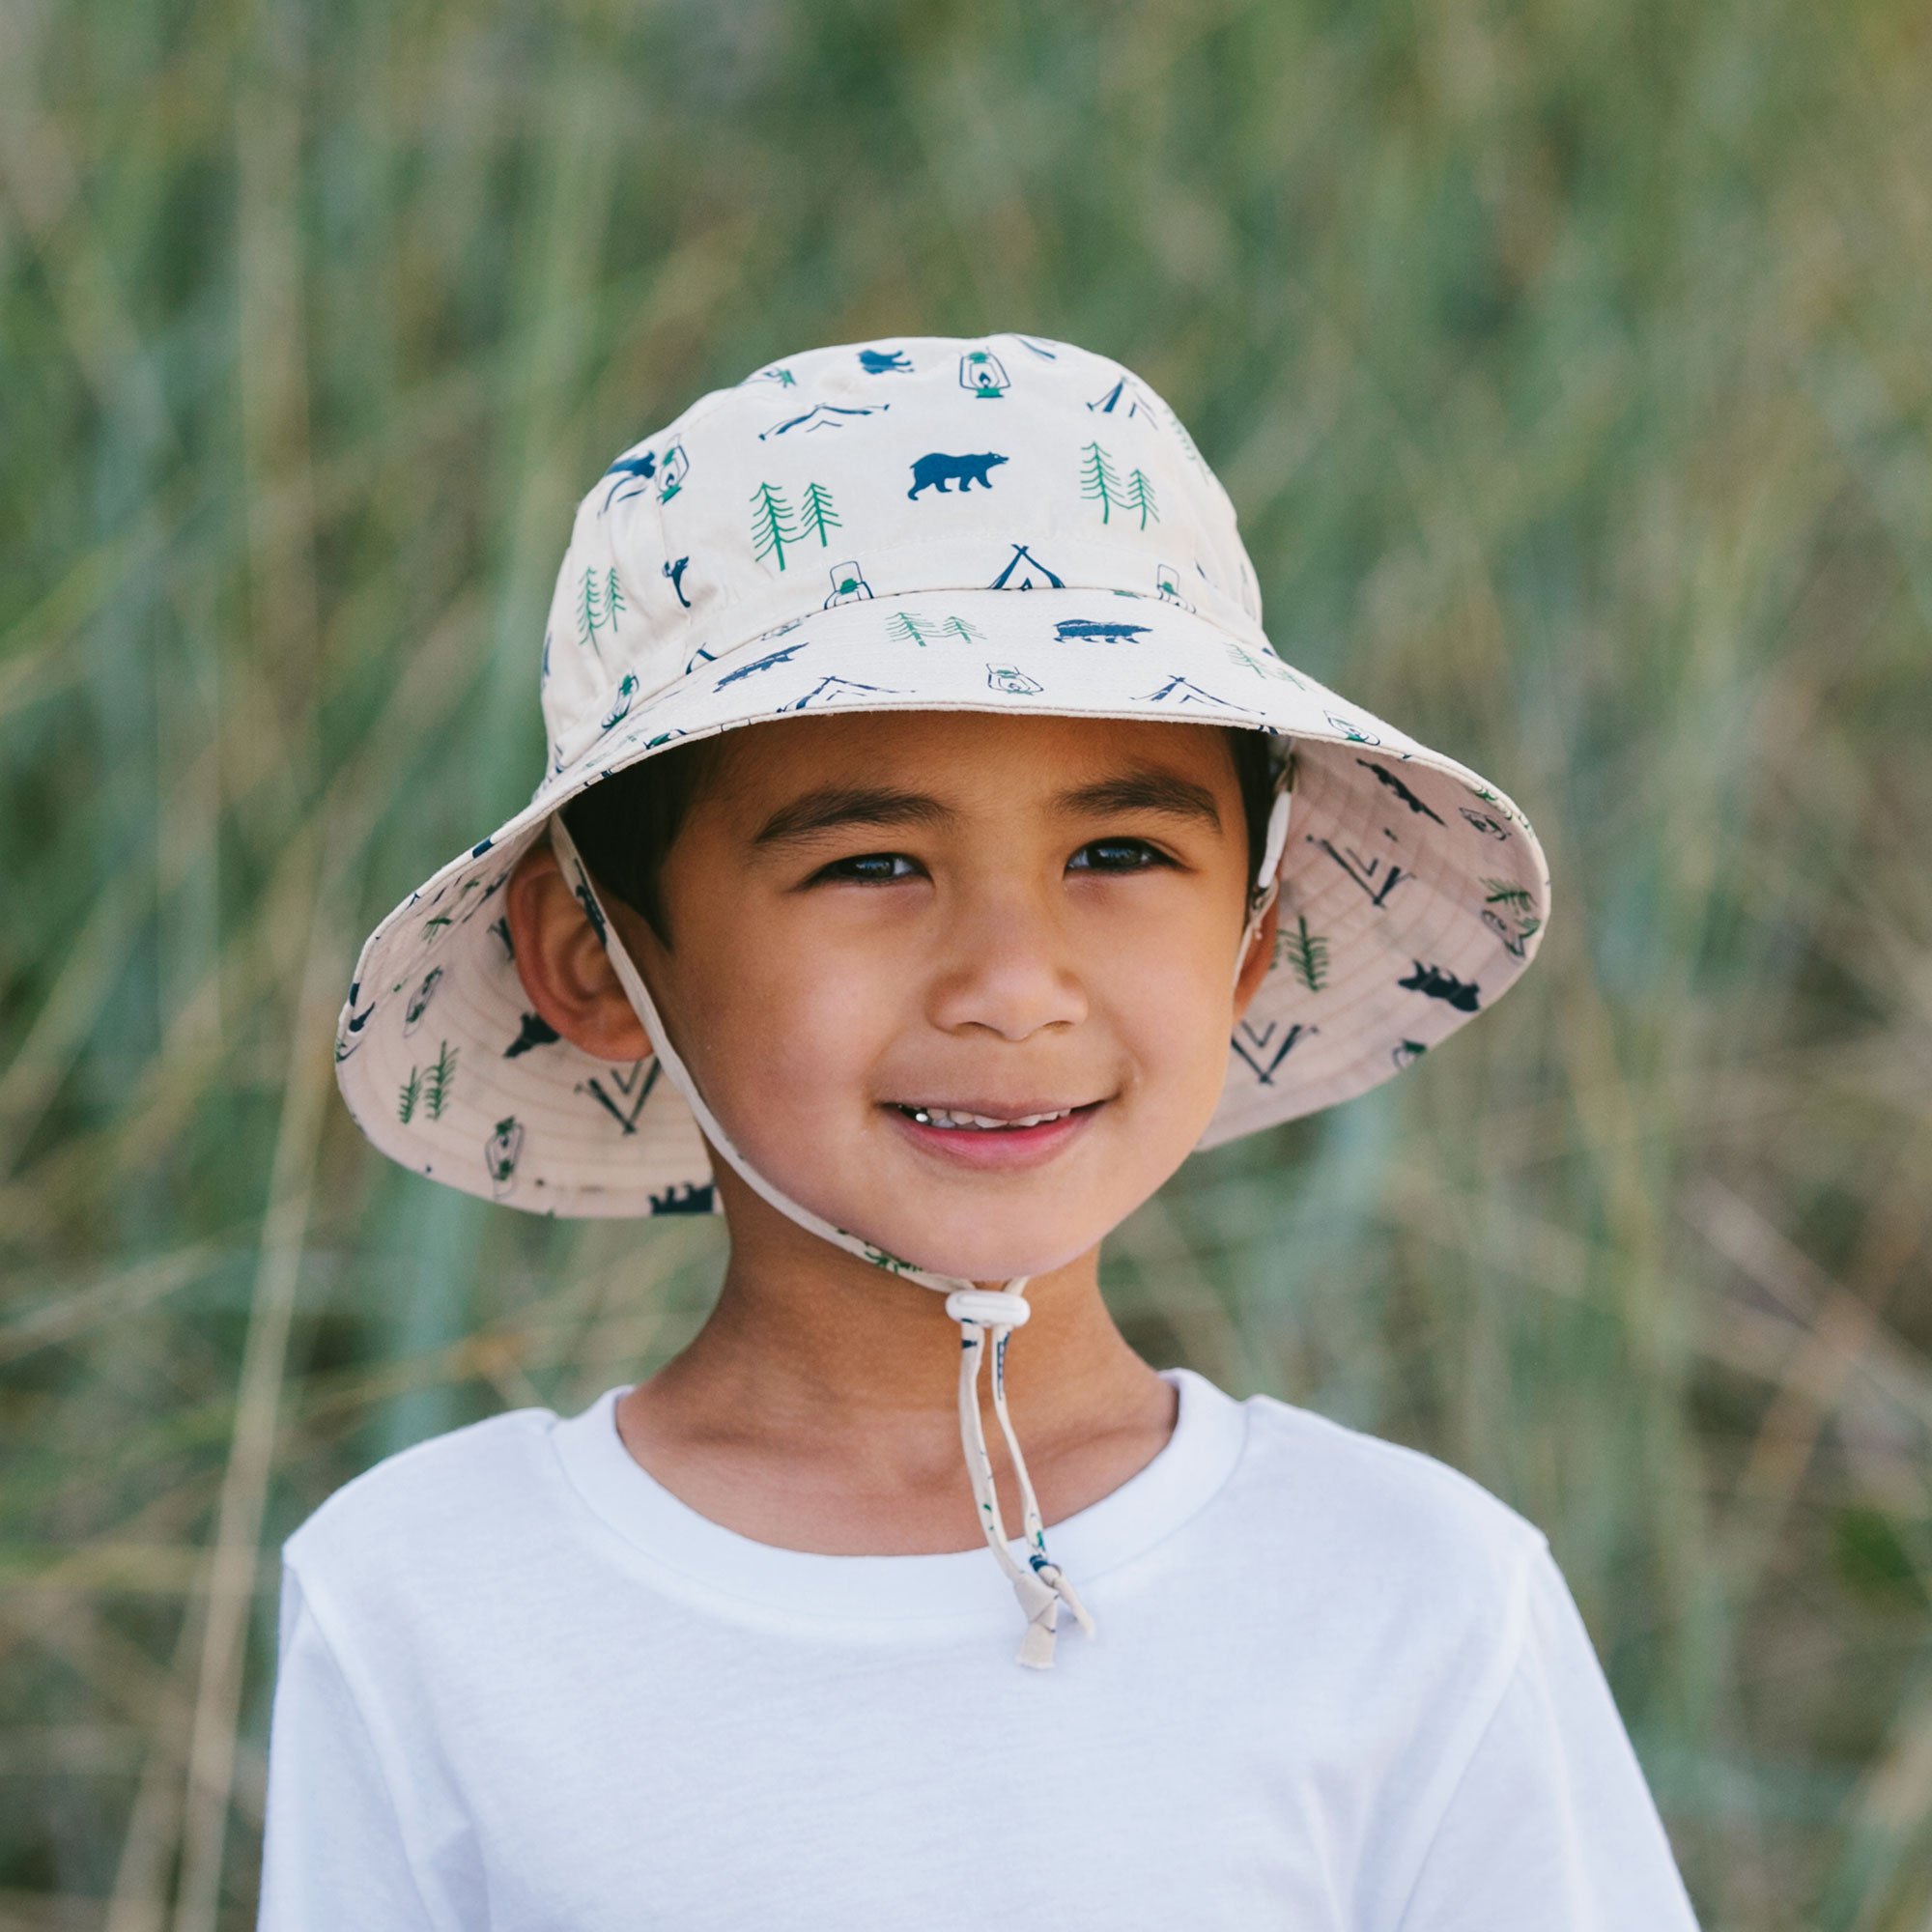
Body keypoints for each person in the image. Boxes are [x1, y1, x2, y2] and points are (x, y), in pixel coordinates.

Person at [260, 331, 1701, 1928]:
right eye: (872, 866)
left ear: (1252, 933)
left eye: (1122, 854)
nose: (1015, 988)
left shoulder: (1417, 1599)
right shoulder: (428, 1600)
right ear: (597, 958)